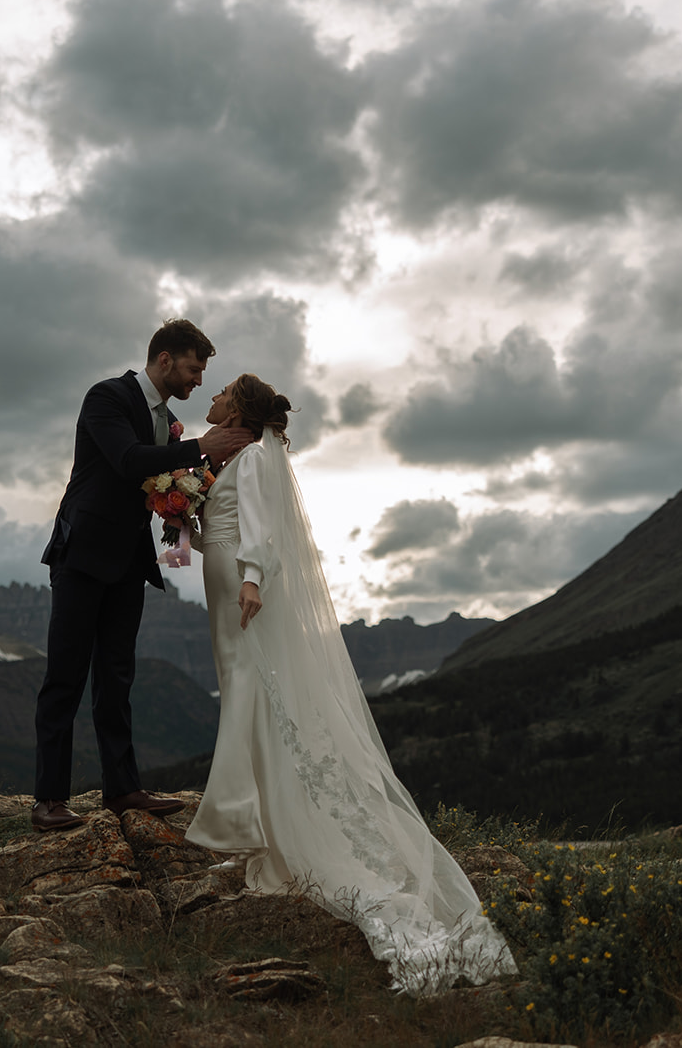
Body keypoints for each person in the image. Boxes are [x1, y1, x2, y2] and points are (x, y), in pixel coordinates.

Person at [184, 373, 516, 995]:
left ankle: (243, 818)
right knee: (244, 688)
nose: (215, 393)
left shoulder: (254, 456)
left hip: (238, 581)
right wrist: (185, 512)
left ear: (241, 409)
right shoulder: (237, 456)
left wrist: (252, 577)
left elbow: (261, 528)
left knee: (252, 690)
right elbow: (216, 529)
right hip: (220, 571)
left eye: (224, 388)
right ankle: (253, 814)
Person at [32, 320, 253, 833]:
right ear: (165, 360)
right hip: (82, 555)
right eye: (195, 369)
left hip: (129, 563)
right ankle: (48, 799)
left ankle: (123, 790)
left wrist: (183, 524)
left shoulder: (170, 422)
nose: (198, 381)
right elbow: (128, 460)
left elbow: (158, 488)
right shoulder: (106, 397)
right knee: (65, 677)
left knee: (117, 677)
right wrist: (202, 446)